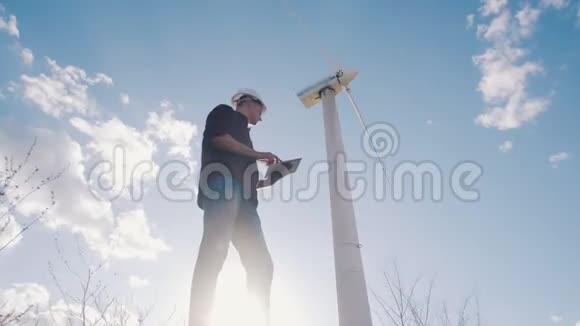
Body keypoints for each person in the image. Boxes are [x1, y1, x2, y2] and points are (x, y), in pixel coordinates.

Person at [189, 89, 280, 326]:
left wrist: (268, 181)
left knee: (262, 265)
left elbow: (244, 174)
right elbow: (218, 138)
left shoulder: (247, 138)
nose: (260, 119)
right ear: (249, 102)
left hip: (247, 202)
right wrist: (258, 154)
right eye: (260, 112)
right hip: (221, 184)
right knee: (214, 250)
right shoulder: (224, 112)